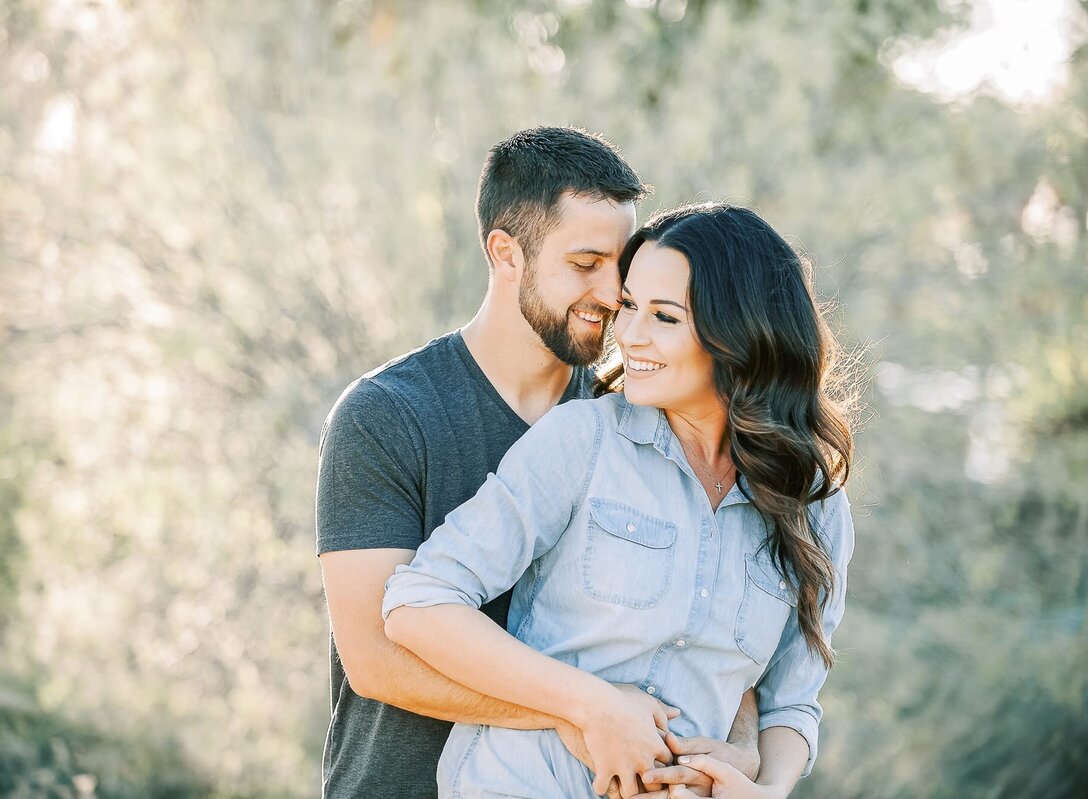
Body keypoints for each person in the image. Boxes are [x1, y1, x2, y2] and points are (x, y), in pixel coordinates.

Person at [316, 129, 761, 799]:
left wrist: (744, 749)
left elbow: (707, 610)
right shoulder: (387, 414)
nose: (613, 293)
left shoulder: (635, 418)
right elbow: (377, 659)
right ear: (506, 254)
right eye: (586, 263)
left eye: (623, 266)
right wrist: (585, 709)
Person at [381, 202, 856, 799]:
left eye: (663, 316)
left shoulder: (814, 511)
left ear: (741, 336)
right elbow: (419, 602)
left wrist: (764, 788)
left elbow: (791, 701)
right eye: (629, 306)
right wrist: (591, 706)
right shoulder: (584, 441)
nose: (627, 334)